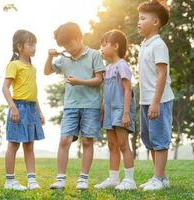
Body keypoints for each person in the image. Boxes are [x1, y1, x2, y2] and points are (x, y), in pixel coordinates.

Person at [44, 22, 105, 190]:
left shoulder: (94, 55)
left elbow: (99, 80)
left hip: (90, 106)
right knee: (64, 140)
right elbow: (47, 71)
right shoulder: (64, 58)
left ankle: (83, 179)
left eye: (69, 44)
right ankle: (60, 179)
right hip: (70, 106)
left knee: (87, 141)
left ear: (79, 38)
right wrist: (50, 56)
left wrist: (79, 82)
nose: (68, 48)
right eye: (64, 46)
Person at [137, 0, 174, 191]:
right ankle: (161, 177)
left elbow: (162, 74)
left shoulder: (159, 45)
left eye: (143, 18)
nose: (139, 22)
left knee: (159, 139)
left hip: (158, 100)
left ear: (156, 22)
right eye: (139, 18)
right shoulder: (144, 45)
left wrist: (156, 103)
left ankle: (158, 179)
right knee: (150, 140)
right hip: (146, 100)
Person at [2, 30, 45, 190]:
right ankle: (10, 181)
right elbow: (5, 88)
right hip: (18, 108)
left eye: (35, 44)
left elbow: (34, 92)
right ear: (19, 46)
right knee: (13, 144)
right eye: (30, 44)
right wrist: (13, 107)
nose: (34, 47)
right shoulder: (14, 65)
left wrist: (39, 111)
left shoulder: (33, 68)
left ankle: (32, 180)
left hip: (31, 108)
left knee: (29, 145)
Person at [94, 30, 137, 190]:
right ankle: (113, 178)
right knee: (112, 144)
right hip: (109, 111)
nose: (102, 49)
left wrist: (126, 113)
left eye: (104, 45)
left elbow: (127, 90)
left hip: (121, 110)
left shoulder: (122, 65)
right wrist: (103, 110)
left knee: (123, 144)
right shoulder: (107, 68)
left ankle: (129, 180)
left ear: (116, 46)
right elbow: (106, 92)